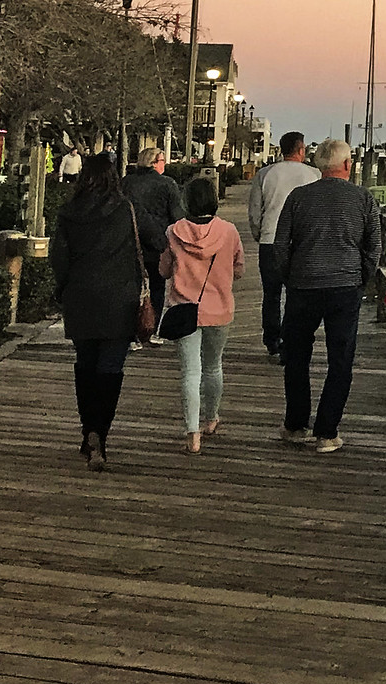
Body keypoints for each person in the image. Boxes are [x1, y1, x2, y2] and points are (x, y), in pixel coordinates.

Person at [272, 138, 380, 453]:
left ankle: (295, 424)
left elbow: (280, 244)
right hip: (344, 287)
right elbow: (374, 246)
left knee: (296, 357)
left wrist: (290, 276)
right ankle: (326, 431)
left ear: (320, 165)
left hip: (303, 285)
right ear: (347, 165)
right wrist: (362, 278)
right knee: (340, 360)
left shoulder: (298, 197)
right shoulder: (363, 198)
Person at [48, 155, 145, 469]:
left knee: (85, 364)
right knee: (111, 369)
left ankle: (87, 430)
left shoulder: (68, 213)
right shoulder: (125, 210)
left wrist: (63, 288)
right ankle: (99, 434)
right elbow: (150, 243)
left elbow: (58, 257)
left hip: (81, 297)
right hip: (119, 299)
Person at [159, 176, 245, 454]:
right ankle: (212, 418)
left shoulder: (174, 231)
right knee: (213, 366)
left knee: (190, 372)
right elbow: (240, 269)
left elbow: (163, 270)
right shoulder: (229, 231)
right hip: (219, 307)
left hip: (184, 308)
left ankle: (192, 434)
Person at [245, 132, 318, 365]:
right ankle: (292, 338)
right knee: (297, 295)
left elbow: (255, 211)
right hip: (301, 242)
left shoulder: (265, 174)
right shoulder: (313, 175)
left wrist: (259, 234)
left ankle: (272, 339)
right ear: (301, 150)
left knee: (271, 294)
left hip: (271, 238)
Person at [122, 146, 185, 331]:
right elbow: (177, 216)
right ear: (154, 163)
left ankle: (132, 330)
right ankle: (152, 327)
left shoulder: (126, 183)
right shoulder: (167, 184)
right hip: (158, 242)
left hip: (130, 242)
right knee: (157, 287)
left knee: (131, 287)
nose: (164, 164)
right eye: (162, 160)